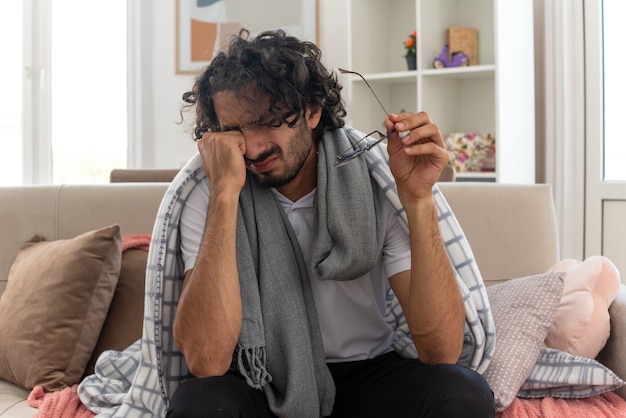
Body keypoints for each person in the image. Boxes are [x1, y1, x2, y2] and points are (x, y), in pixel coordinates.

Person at [167, 28, 495, 418]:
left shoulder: (377, 180)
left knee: (463, 393)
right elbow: (206, 360)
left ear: (312, 111)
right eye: (235, 130)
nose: (252, 148)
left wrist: (418, 199)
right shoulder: (208, 189)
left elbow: (441, 351)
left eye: (268, 121)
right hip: (260, 380)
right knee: (200, 404)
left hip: (368, 373)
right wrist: (225, 195)